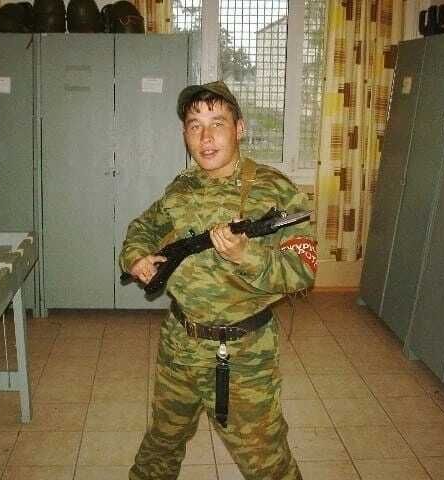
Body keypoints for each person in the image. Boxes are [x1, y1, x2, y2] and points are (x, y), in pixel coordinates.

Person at [119, 80, 318, 480]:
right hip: (179, 343)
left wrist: (246, 254)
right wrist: (136, 256)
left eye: (217, 123)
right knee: (161, 443)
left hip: (243, 353)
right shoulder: (181, 187)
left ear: (239, 128)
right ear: (184, 134)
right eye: (194, 125)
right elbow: (144, 226)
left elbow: (302, 272)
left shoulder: (276, 190)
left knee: (265, 460)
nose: (205, 137)